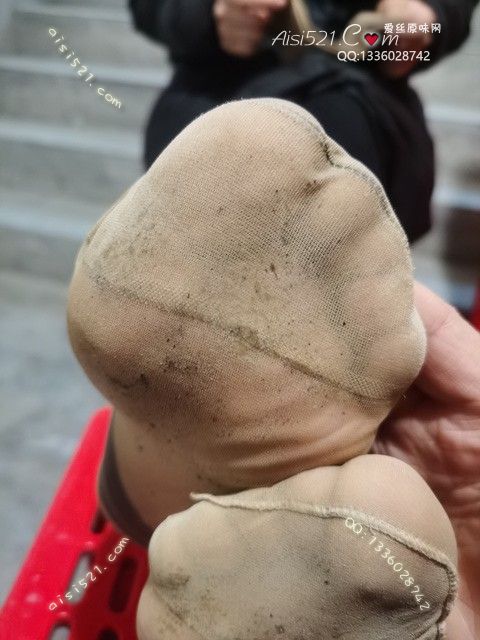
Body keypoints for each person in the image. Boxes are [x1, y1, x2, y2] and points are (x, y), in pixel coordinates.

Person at [129, 0, 478, 243]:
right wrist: (207, 12)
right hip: (219, 90)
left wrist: (426, 17)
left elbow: (449, 12)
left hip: (361, 101)